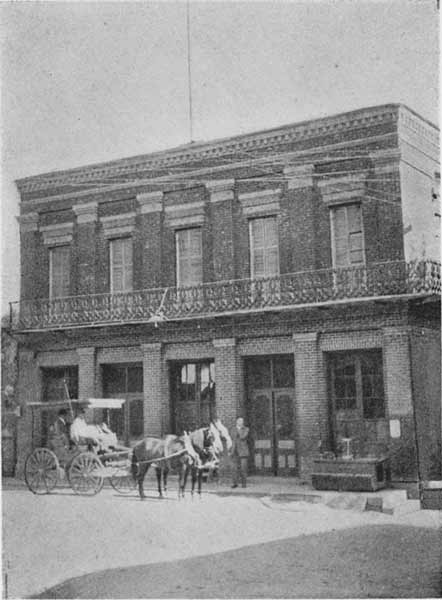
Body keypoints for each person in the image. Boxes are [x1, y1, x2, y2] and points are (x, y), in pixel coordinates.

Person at [230, 416, 249, 488]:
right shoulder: (232, 429)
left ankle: (244, 484)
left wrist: (239, 430)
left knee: (243, 468)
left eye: (242, 421)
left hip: (243, 452)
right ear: (236, 421)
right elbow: (232, 436)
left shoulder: (246, 429)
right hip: (234, 451)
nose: (241, 422)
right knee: (234, 468)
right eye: (239, 421)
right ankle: (235, 483)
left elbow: (243, 436)